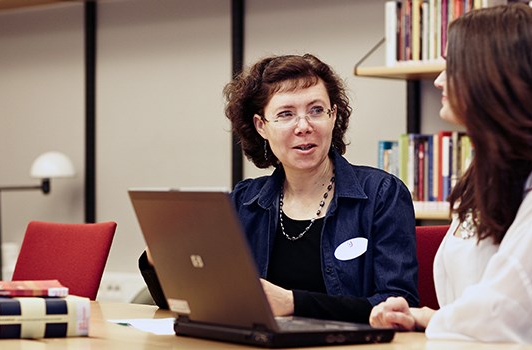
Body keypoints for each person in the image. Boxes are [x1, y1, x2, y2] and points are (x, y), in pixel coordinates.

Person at [369, 4, 532, 349]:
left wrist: (427, 317)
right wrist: (411, 316)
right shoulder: (480, 174)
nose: (438, 80)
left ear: (491, 75)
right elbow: (476, 303)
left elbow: (510, 307)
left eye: (451, 66)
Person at [139, 53, 419, 324]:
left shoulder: (382, 194)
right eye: (286, 114)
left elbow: (398, 304)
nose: (304, 126)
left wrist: (293, 302)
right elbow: (190, 301)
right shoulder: (242, 202)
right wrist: (160, 255)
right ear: (261, 126)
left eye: (316, 110)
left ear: (333, 116)